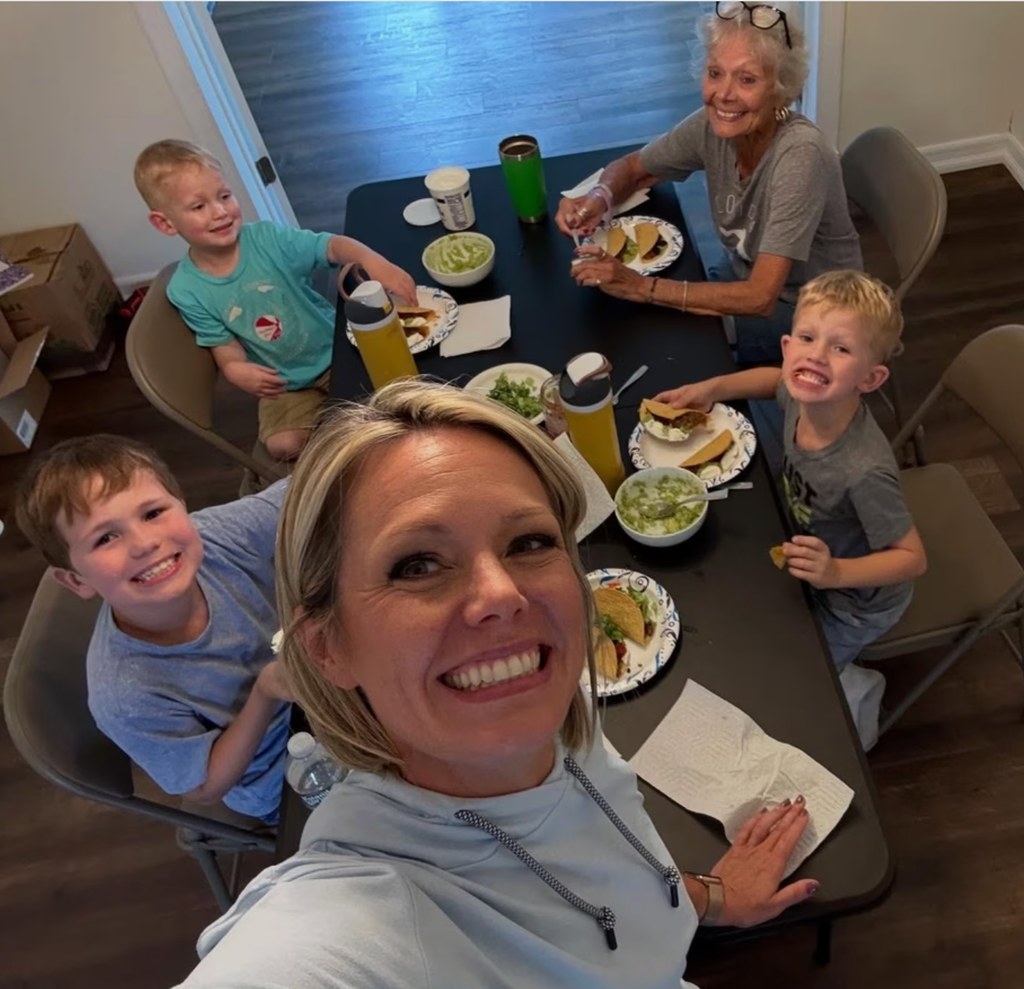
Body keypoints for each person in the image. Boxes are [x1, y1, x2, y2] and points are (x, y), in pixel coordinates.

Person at [175, 379, 818, 988]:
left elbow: (599, 870)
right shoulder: (357, 911)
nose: (502, 594)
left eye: (529, 542)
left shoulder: (561, 727)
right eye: (418, 564)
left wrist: (706, 897)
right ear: (327, 647)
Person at [653, 271, 927, 746]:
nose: (816, 355)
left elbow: (911, 559)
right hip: (811, 551)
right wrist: (714, 387)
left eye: (840, 348)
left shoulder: (863, 471)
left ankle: (855, 690)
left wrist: (836, 572)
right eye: (807, 338)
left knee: (799, 681)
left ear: (871, 378)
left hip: (855, 603)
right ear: (787, 346)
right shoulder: (806, 394)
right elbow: (772, 382)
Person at [557, 2, 861, 364]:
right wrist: (598, 197)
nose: (724, 95)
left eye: (747, 79)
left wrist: (641, 287)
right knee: (641, 322)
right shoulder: (712, 126)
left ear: (780, 90)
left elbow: (760, 298)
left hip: (815, 316)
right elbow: (636, 167)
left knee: (661, 338)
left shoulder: (800, 157)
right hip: (742, 276)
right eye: (715, 73)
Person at [15, 435, 293, 824]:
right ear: (77, 580)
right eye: (105, 537)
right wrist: (265, 692)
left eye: (152, 513)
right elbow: (204, 786)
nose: (146, 543)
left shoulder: (209, 535)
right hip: (286, 776)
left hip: (328, 694)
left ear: (182, 508)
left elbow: (305, 493)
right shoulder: (125, 693)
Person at [134, 139, 418, 462]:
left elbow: (332, 247)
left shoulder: (268, 239)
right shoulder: (185, 290)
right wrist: (235, 369)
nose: (220, 212)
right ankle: (347, 443)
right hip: (286, 383)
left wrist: (372, 260)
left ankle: (351, 433)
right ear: (165, 223)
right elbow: (223, 346)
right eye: (199, 207)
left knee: (400, 397)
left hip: (334, 349)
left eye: (225, 196)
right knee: (282, 446)